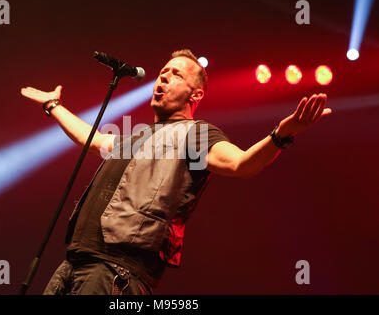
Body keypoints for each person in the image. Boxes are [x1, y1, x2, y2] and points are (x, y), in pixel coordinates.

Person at [21, 49, 331, 295]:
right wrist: (54, 105)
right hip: (74, 264)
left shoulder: (196, 135)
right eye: (162, 73)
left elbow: (241, 164)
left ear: (195, 95)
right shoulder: (138, 135)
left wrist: (280, 135)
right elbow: (93, 140)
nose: (164, 78)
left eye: (176, 74)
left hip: (117, 273)